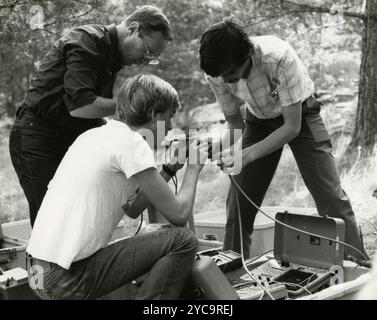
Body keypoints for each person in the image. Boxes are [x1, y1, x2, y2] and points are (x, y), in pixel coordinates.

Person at [198, 18, 368, 261]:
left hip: (301, 116)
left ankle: (357, 265)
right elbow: (235, 124)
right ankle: (233, 268)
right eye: (221, 77)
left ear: (245, 54)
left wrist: (247, 154)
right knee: (238, 204)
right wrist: (218, 147)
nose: (227, 81)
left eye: (231, 74)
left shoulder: (277, 57)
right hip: (258, 121)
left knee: (330, 197)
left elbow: (291, 127)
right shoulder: (216, 74)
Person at [26, 74, 207, 300]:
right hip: (64, 278)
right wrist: (193, 169)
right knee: (183, 240)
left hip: (37, 272)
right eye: (170, 116)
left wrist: (169, 169)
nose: (171, 126)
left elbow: (132, 209)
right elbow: (179, 215)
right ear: (153, 114)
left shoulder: (93, 136)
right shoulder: (133, 143)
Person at [9, 5, 173, 227]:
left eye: (152, 58)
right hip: (37, 138)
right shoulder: (87, 41)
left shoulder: (112, 57)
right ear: (134, 29)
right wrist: (134, 106)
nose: (145, 60)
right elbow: (81, 106)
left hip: (67, 136)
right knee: (50, 221)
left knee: (77, 215)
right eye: (148, 51)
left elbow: (94, 115)